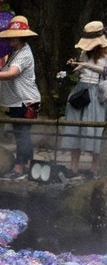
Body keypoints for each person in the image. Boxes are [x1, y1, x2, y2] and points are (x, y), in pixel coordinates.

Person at [0, 15, 41, 179]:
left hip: (27, 100)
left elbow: (12, 73)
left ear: (21, 37)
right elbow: (5, 71)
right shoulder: (14, 52)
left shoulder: (24, 54)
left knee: (22, 133)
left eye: (14, 36)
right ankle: (28, 164)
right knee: (21, 133)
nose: (11, 38)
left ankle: (20, 167)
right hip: (18, 99)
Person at [61, 21, 107, 180]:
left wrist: (86, 65)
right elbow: (78, 73)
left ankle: (94, 168)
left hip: (96, 93)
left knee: (94, 129)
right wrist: (74, 67)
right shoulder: (84, 53)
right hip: (81, 90)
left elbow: (104, 71)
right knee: (75, 127)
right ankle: (73, 167)